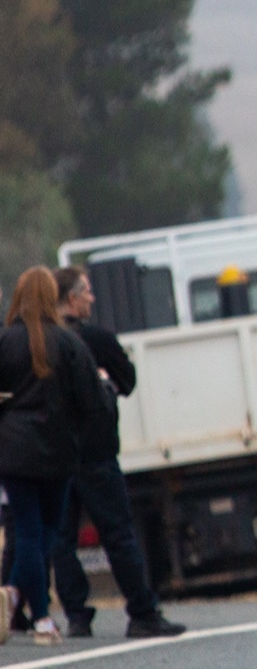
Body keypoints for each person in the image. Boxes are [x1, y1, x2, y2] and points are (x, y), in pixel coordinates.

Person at [46, 267, 183, 637]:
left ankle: (76, 616)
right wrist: (105, 387)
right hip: (96, 453)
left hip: (54, 456)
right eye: (87, 292)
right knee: (118, 534)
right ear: (72, 298)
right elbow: (128, 380)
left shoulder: (38, 342)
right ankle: (142, 611)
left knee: (61, 540)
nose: (92, 298)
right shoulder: (97, 340)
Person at [1, 269, 109, 644]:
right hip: (59, 451)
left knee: (28, 531)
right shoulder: (68, 343)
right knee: (46, 531)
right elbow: (92, 401)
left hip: (13, 454)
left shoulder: (6, 341)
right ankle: (40, 617)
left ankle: (17, 595)